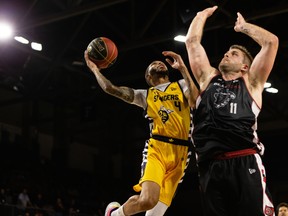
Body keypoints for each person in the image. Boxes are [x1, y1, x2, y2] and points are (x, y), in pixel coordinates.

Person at [185, 5, 278, 216]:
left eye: (233, 54)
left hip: (243, 160)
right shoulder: (208, 79)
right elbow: (191, 42)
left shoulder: (252, 83)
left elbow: (271, 42)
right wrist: (200, 16)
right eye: (226, 52)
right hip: (210, 166)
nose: (227, 55)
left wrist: (244, 27)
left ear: (245, 67)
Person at [84, 50, 198, 216]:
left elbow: (195, 99)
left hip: (181, 154)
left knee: (154, 214)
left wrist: (183, 68)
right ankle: (114, 214)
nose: (159, 63)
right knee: (147, 200)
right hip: (157, 149)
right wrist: (95, 69)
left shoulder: (182, 85)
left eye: (161, 63)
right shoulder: (145, 95)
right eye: (153, 64)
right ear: (148, 77)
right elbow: (110, 88)